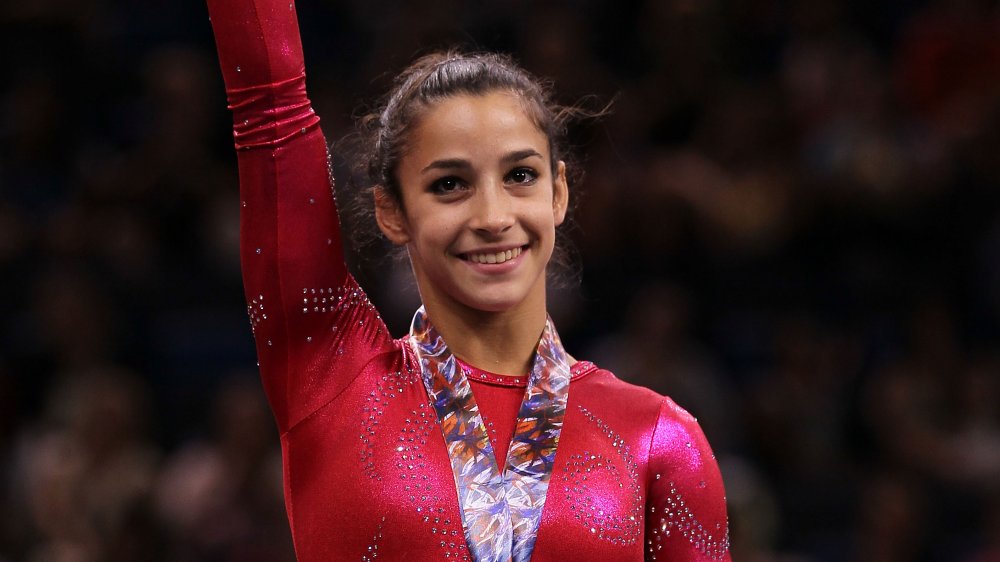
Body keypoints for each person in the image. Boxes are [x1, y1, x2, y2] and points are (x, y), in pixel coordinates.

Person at [205, 0, 731, 560]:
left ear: (558, 191)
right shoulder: (332, 378)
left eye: (520, 176)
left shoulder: (658, 438)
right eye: (450, 184)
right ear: (392, 211)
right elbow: (269, 107)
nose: (492, 217)